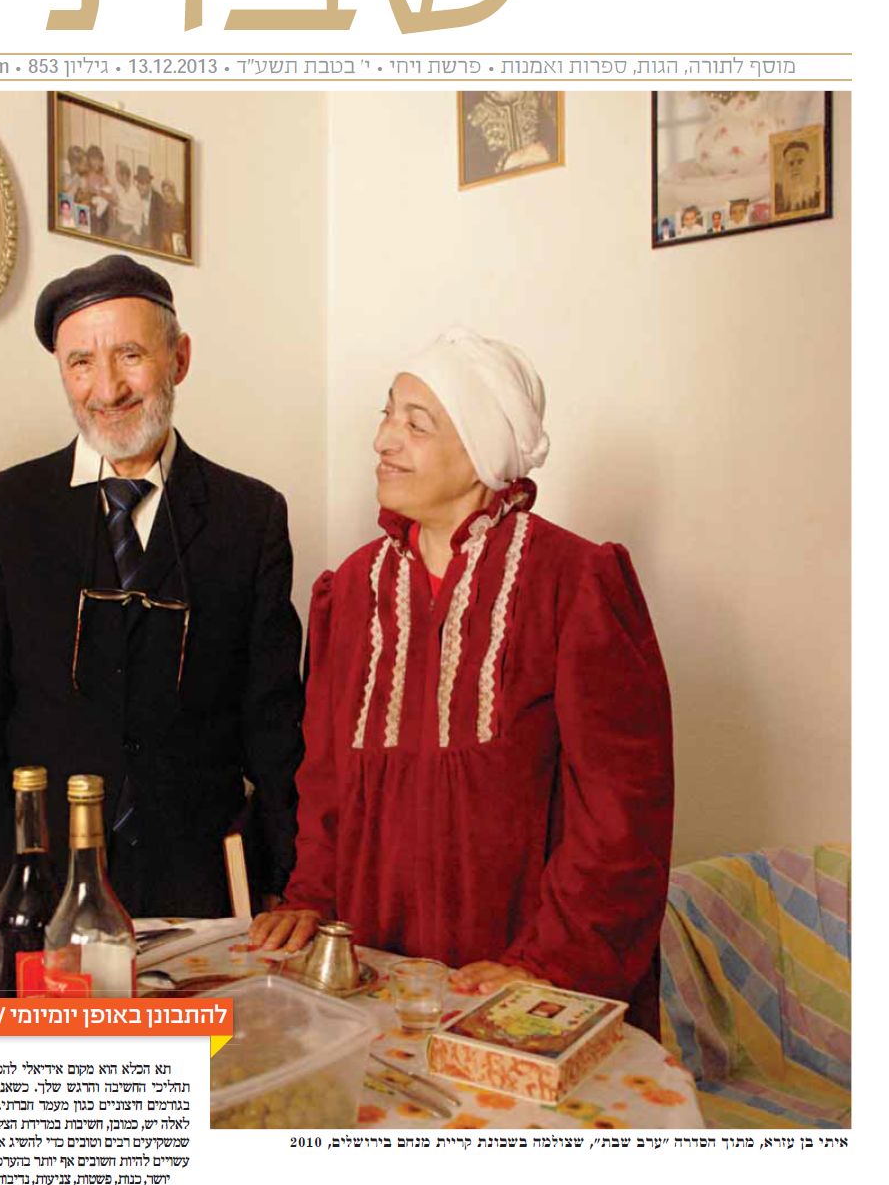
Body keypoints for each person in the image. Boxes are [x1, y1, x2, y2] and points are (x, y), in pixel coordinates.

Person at [249, 327, 674, 1034]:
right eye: (387, 415)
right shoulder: (350, 589)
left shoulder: (574, 581)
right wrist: (311, 898)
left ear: (484, 448)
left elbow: (621, 811)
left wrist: (549, 964)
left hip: (516, 965)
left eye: (416, 424)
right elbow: (324, 777)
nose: (383, 440)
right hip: (371, 957)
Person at [0, 254, 305, 938]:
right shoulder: (3, 511)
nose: (106, 388)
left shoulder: (250, 517)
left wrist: (284, 880)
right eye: (81, 363)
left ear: (179, 359)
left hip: (203, 897)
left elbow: (274, 722)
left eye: (130, 355)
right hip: (41, 893)